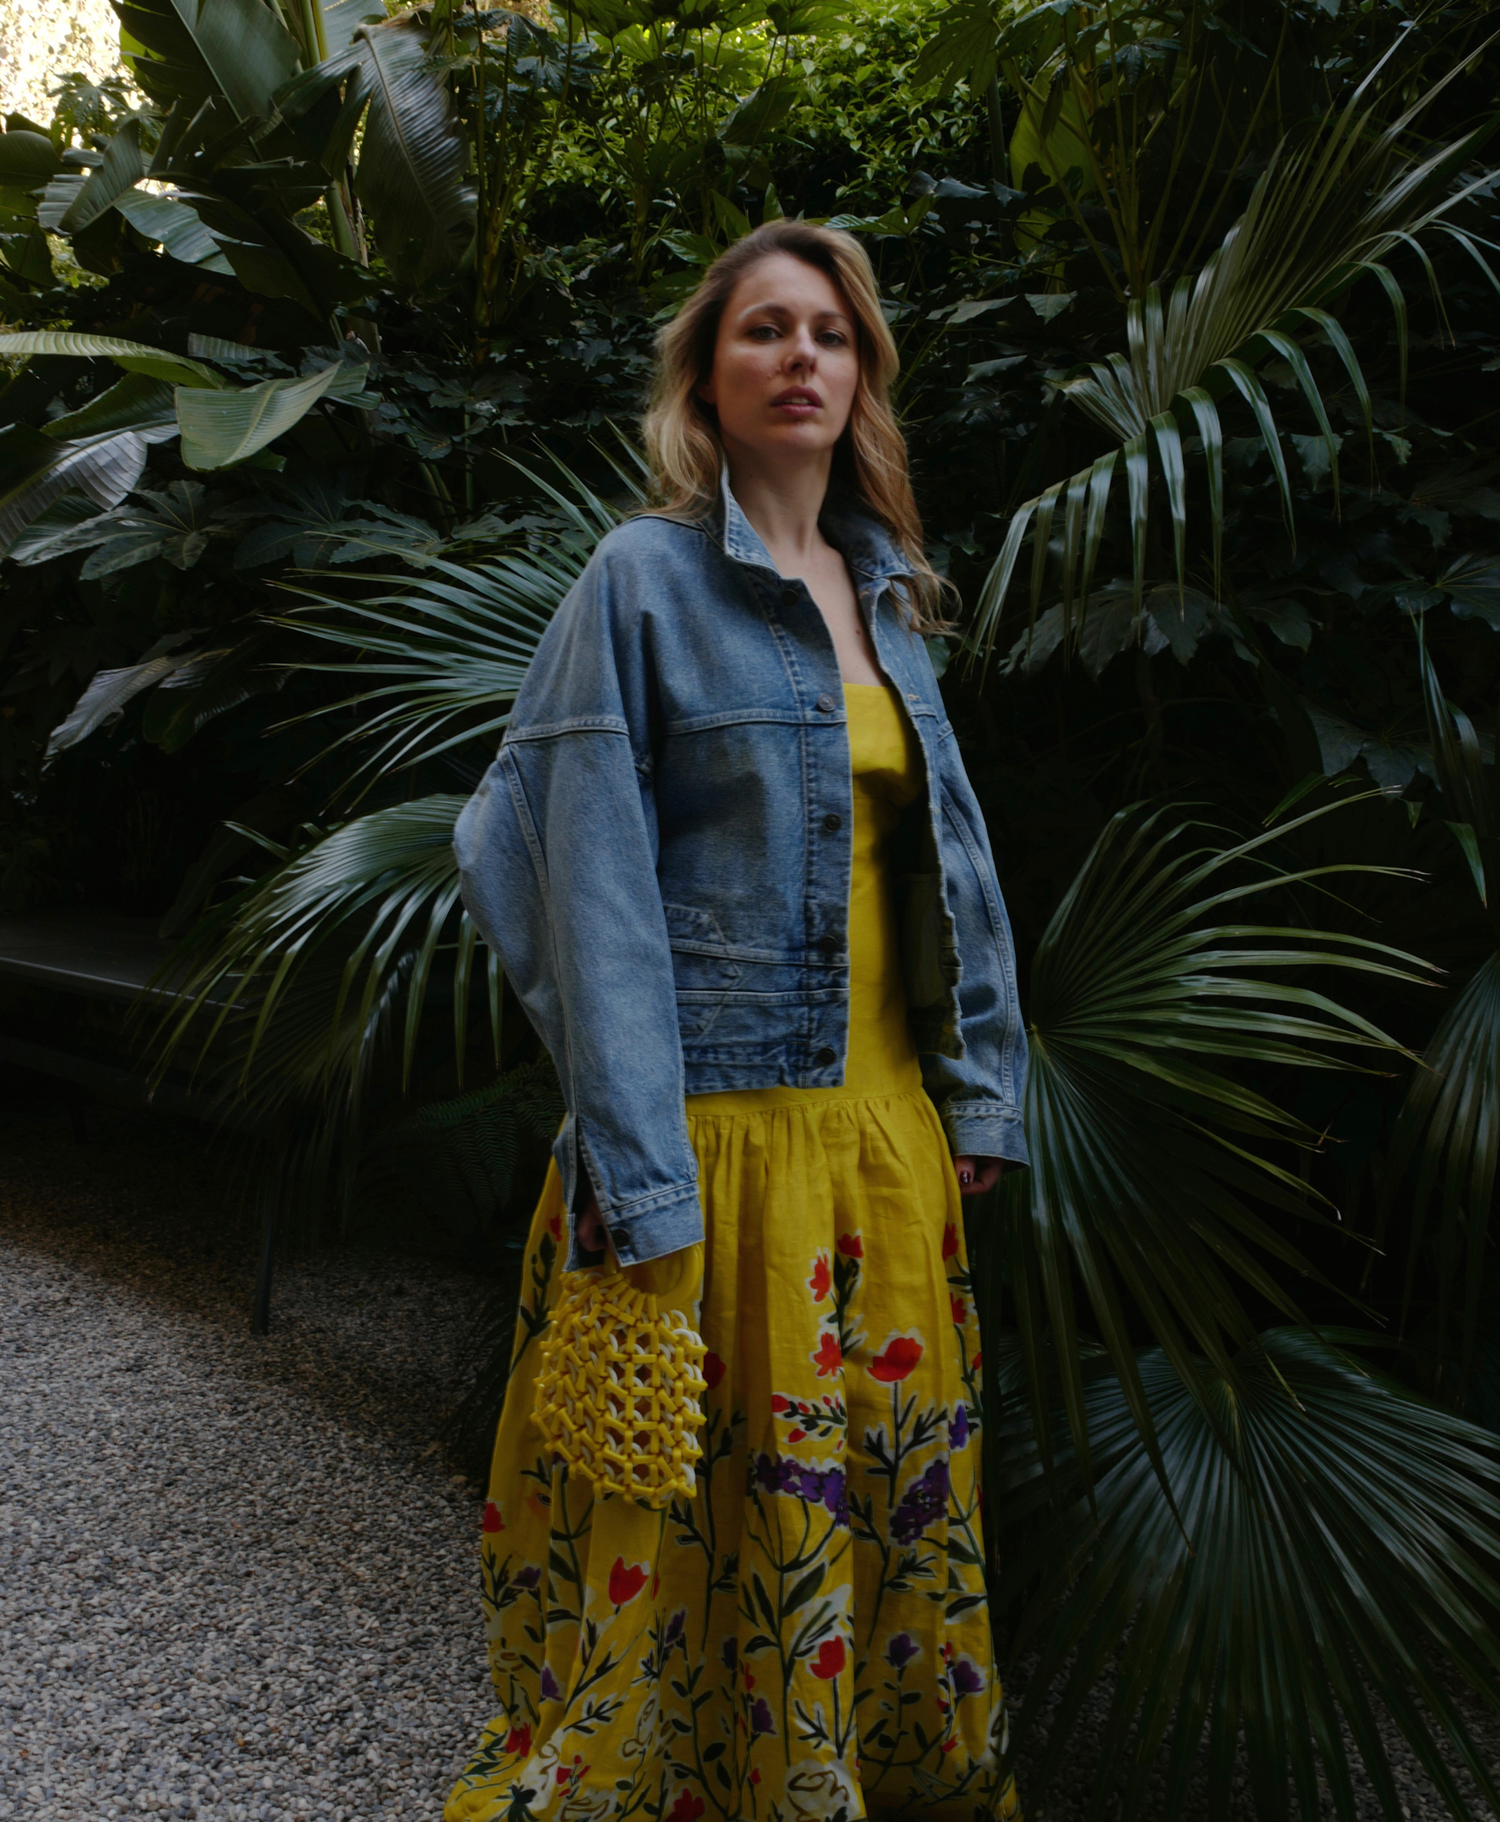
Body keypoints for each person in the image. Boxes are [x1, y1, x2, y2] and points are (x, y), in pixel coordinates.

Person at [446, 218, 1028, 1822]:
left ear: (864, 376)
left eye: (832, 336)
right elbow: (545, 852)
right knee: (695, 1530)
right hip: (708, 1154)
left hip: (886, 1150)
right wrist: (638, 1170)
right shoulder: (637, 582)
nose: (803, 360)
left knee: (869, 1516)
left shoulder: (891, 589)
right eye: (766, 331)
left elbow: (945, 859)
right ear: (707, 377)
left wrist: (975, 1095)